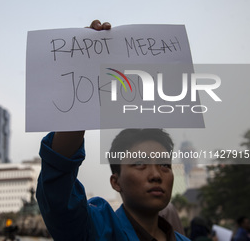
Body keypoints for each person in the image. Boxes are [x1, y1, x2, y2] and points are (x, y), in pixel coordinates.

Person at [36, 21, 190, 241]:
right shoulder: (97, 230)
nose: (156, 175)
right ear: (115, 181)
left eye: (165, 165)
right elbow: (58, 191)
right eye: (139, 163)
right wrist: (84, 71)